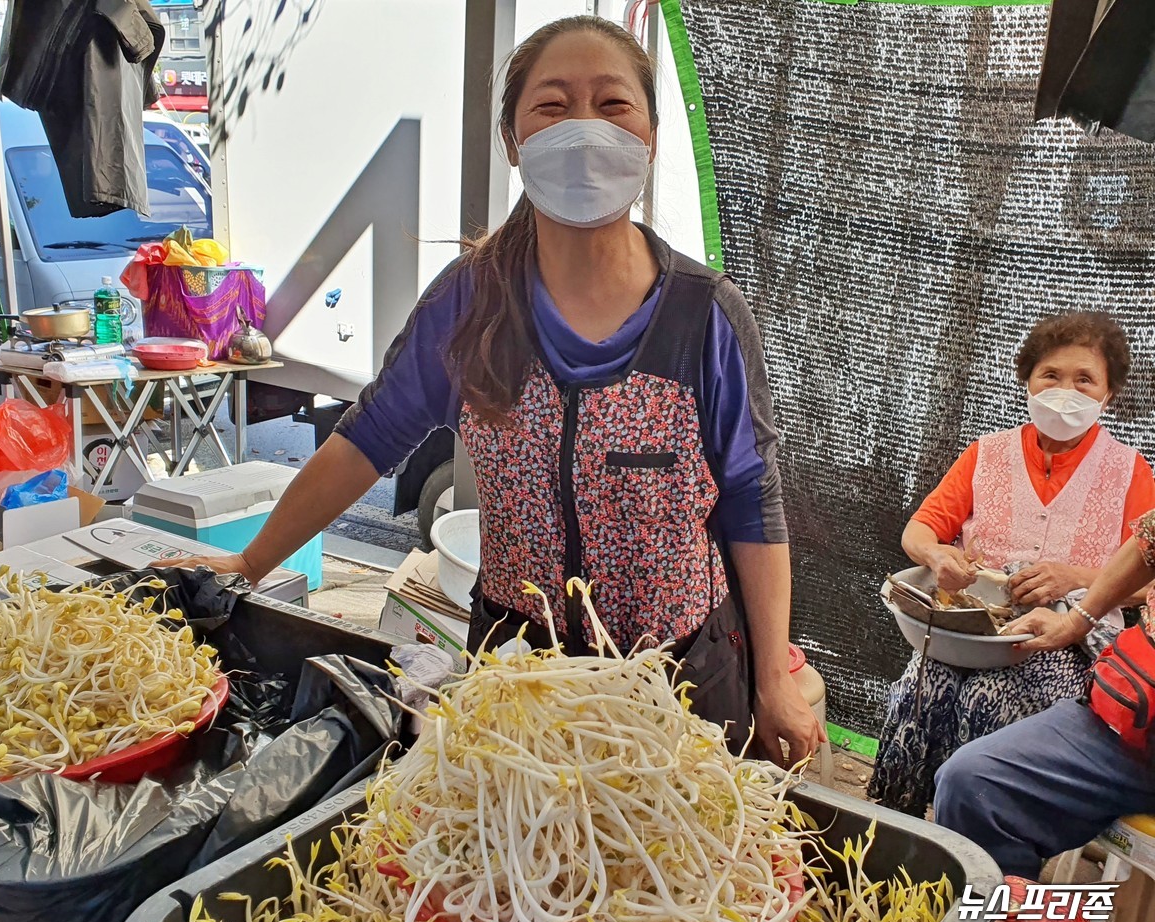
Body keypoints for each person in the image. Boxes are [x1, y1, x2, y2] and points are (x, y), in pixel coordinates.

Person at [158, 16, 821, 765]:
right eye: (551, 105)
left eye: (612, 105)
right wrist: (250, 562)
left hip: (680, 680)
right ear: (513, 141)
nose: (582, 128)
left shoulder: (704, 315)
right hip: (516, 679)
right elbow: (365, 442)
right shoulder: (471, 303)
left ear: (651, 136)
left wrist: (774, 677)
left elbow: (750, 498)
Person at [868, 312, 1155, 816]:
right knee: (919, 689)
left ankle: (979, 857)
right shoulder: (987, 454)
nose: (1066, 391)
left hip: (1066, 641)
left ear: (1108, 396)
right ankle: (900, 839)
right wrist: (940, 555)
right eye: (1051, 376)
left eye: (1085, 380)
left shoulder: (1129, 471)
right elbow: (919, 531)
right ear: (1027, 381)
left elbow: (1144, 580)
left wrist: (1077, 581)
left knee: (989, 698)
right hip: (971, 630)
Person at [934, 512, 1155, 878]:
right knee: (970, 782)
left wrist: (1074, 581)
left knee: (995, 693)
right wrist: (1075, 621)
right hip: (1125, 713)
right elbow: (1147, 543)